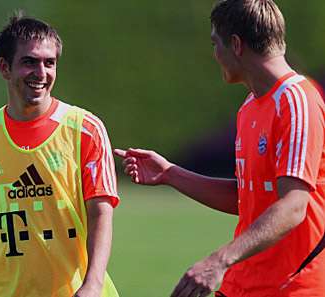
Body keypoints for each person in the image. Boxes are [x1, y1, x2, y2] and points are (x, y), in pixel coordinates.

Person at [114, 0, 325, 296]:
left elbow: (293, 206)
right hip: (242, 284)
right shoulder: (250, 107)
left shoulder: (297, 101)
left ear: (236, 44)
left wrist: (218, 260)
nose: (214, 54)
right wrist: (171, 174)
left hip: (291, 287)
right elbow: (247, 198)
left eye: (216, 43)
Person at [0, 13, 120, 297]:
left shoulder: (85, 129)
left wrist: (93, 284)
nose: (41, 72)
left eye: (50, 63)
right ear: (4, 67)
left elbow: (101, 212)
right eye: (29, 62)